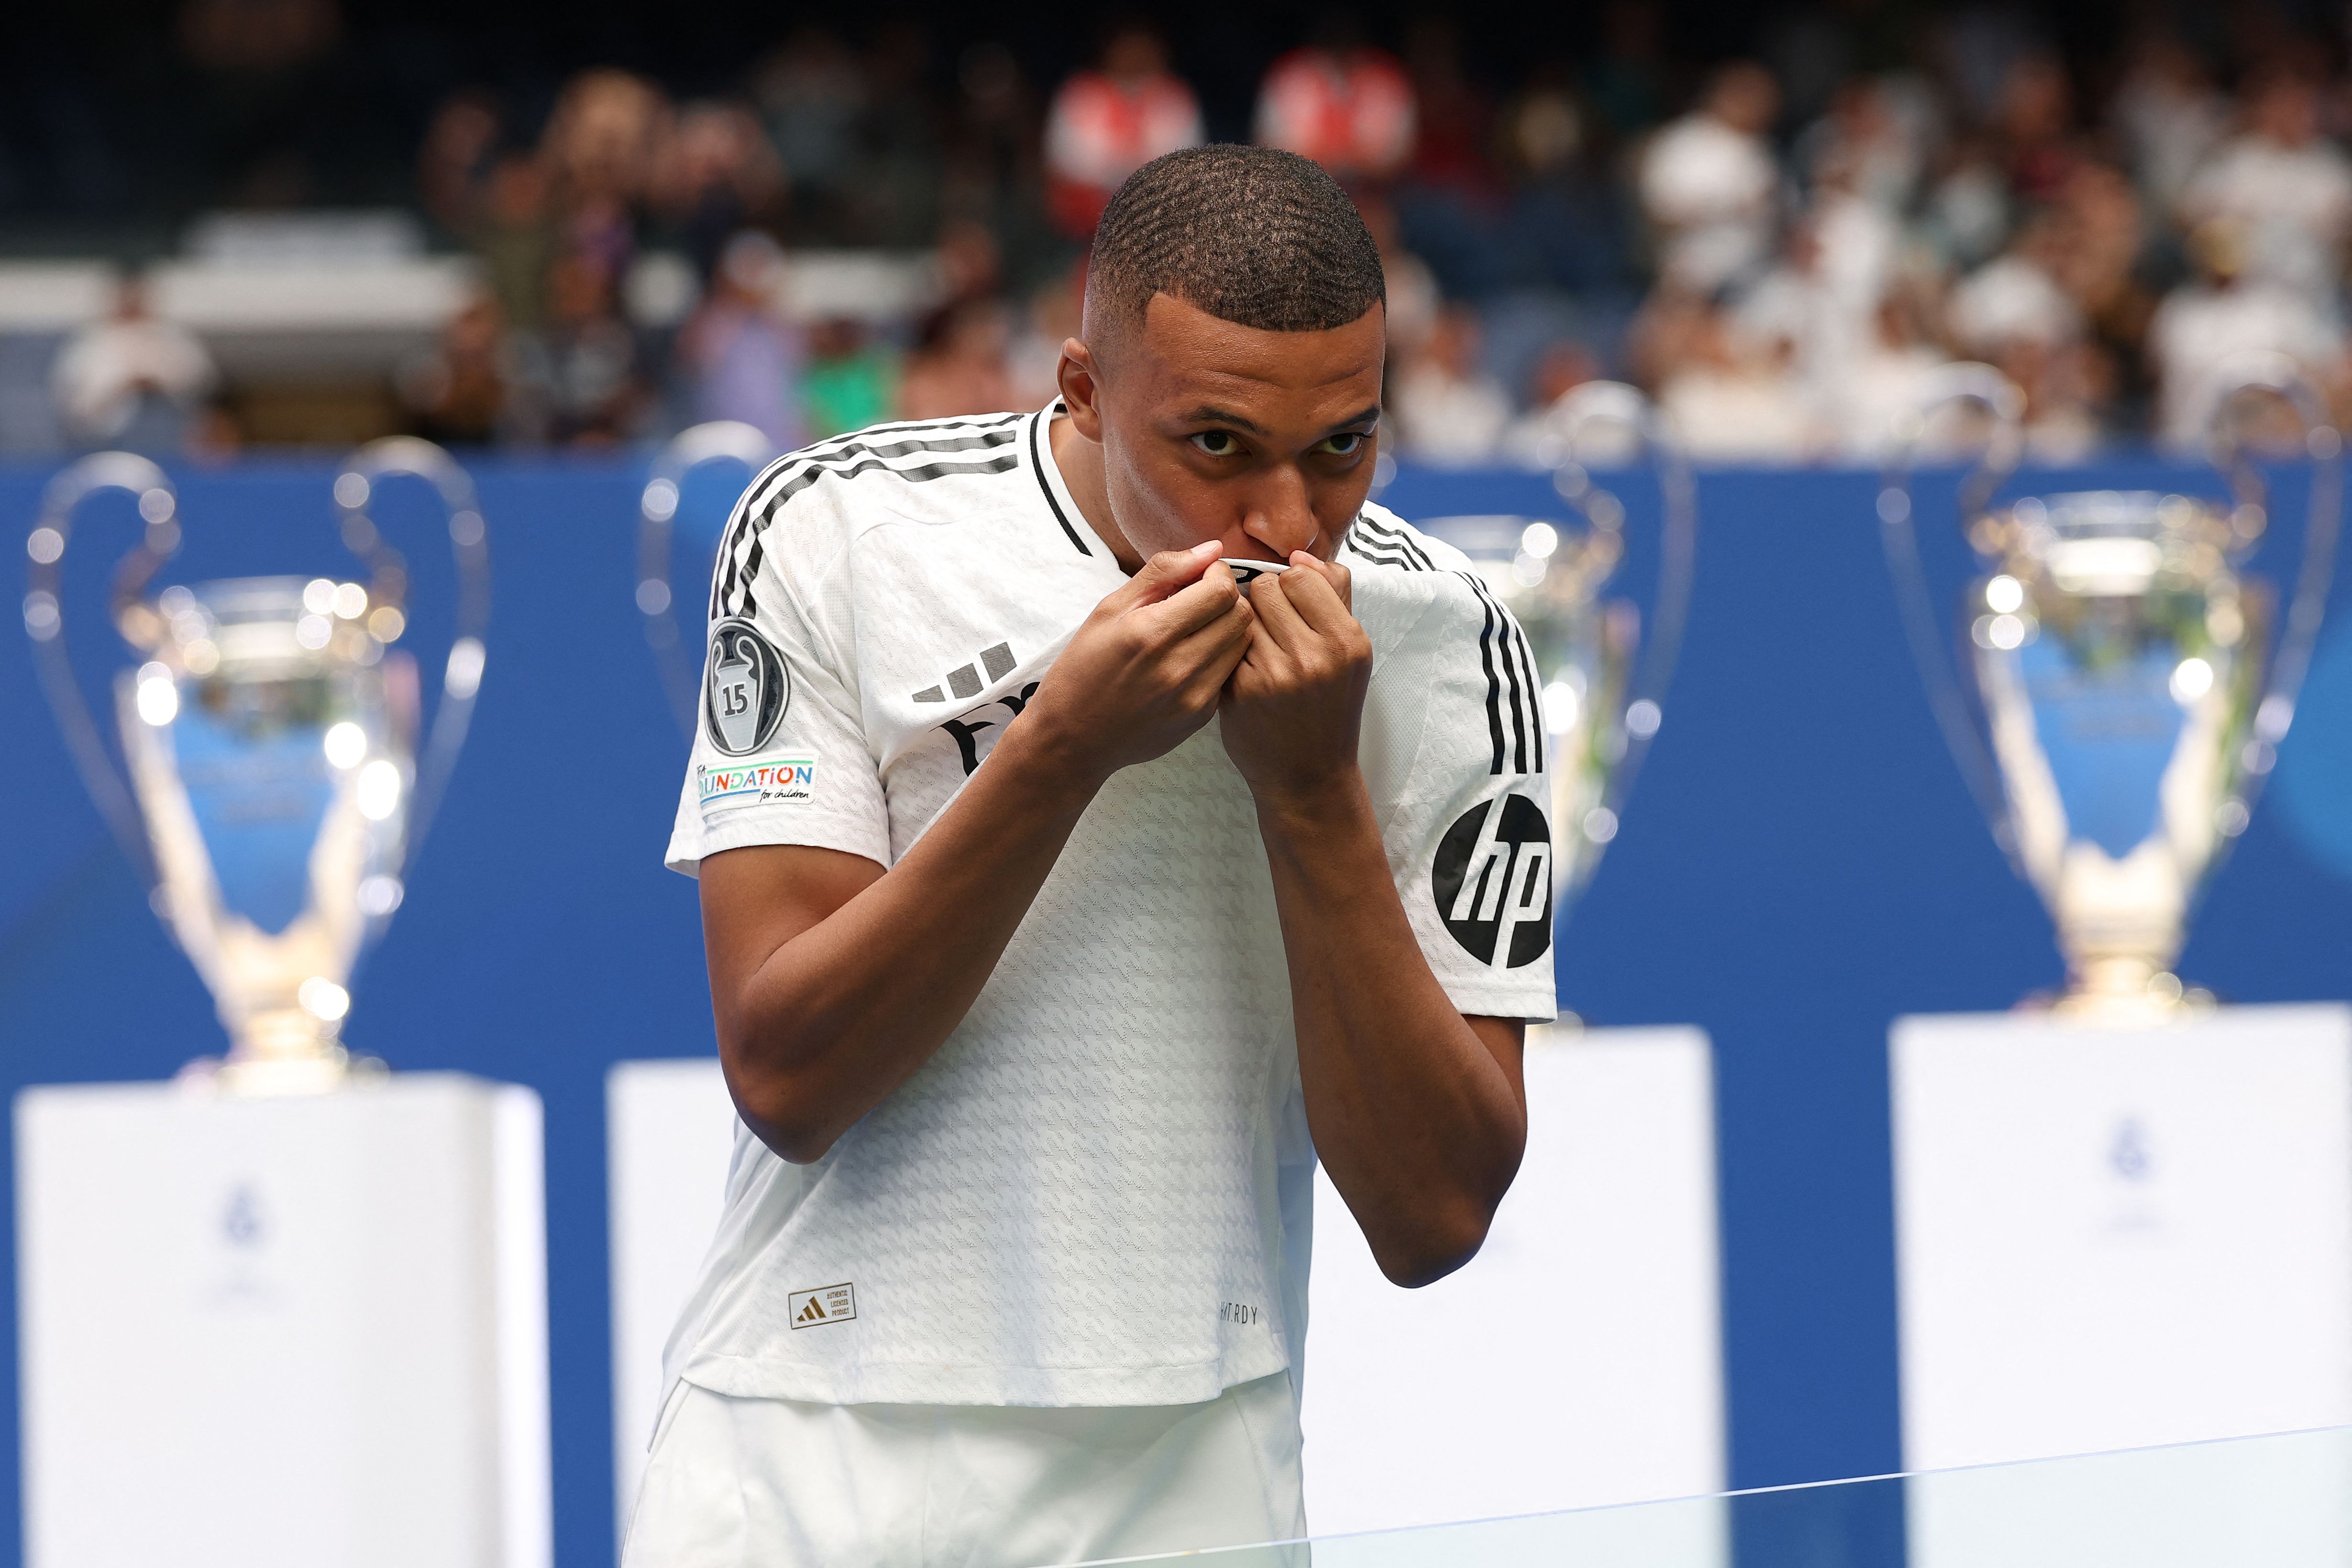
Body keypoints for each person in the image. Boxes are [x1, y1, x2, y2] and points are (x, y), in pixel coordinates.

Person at [629, 144, 1553, 1567]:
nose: (1289, 525)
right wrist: (1060, 750)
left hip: (1197, 1460)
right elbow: (787, 1074)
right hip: (809, 1440)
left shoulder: (1451, 636)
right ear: (1082, 390)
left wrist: (1311, 797)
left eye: (1345, 448)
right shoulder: (837, 525)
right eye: (1218, 447)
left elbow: (1434, 1217)